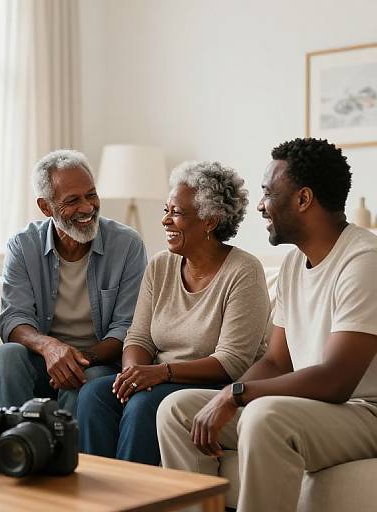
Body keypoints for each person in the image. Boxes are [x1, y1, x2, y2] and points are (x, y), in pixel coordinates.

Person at [157, 138, 377, 512]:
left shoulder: (363, 261)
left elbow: (337, 379)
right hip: (309, 406)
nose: (260, 205)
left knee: (264, 417)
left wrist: (238, 394)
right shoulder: (294, 264)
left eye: (268, 193)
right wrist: (224, 397)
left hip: (363, 411)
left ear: (303, 199)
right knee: (177, 409)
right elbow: (276, 361)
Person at [77, 160, 270, 465]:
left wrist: (159, 374)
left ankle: (134, 499)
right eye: (166, 210)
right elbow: (138, 337)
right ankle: (95, 497)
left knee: (144, 404)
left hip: (211, 386)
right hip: (158, 378)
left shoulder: (244, 271)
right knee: (94, 395)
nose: (165, 220)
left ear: (210, 221)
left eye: (176, 212)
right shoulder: (160, 264)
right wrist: (132, 375)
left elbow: (232, 361)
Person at [0, 149, 147, 416]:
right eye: (72, 200)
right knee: (6, 356)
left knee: (85, 379)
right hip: (41, 361)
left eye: (91, 195)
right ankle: (9, 451)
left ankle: (69, 458)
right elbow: (14, 319)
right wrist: (50, 348)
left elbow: (127, 328)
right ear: (46, 207)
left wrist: (76, 360)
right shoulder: (23, 245)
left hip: (99, 361)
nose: (87, 207)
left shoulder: (128, 245)